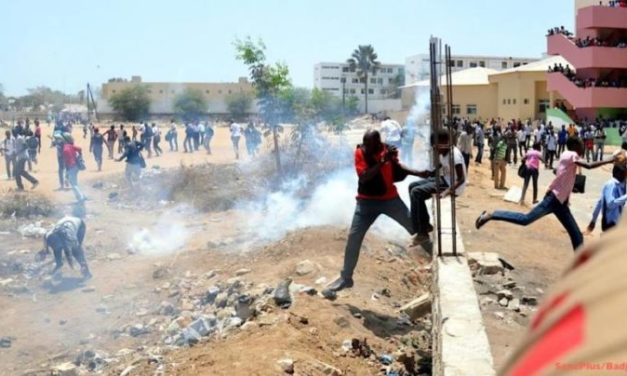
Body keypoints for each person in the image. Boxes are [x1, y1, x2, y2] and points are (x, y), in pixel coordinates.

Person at [325, 130, 426, 292]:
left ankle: (436, 255)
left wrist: (418, 173)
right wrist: (381, 161)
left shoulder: (386, 150)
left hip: (390, 200)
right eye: (367, 145)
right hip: (366, 203)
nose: (368, 148)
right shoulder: (360, 153)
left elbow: (398, 169)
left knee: (416, 228)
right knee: (354, 237)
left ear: (379, 143)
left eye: (372, 145)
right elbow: (364, 177)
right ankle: (346, 277)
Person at [476, 137, 615, 251]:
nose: (583, 148)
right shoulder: (571, 154)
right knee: (525, 219)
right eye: (581, 145)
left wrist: (570, 188)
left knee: (578, 236)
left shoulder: (567, 158)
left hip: (561, 203)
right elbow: (589, 166)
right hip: (553, 200)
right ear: (575, 146)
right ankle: (491, 215)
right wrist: (610, 160)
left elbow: (558, 173)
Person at [408, 129, 467, 243]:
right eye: (433, 146)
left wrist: (447, 192)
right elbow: (441, 164)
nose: (435, 149)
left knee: (416, 192)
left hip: (452, 186)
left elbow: (461, 179)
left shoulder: (454, 155)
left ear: (445, 142)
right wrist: (431, 172)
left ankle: (422, 232)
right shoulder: (444, 152)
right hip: (444, 180)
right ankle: (424, 225)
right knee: (412, 186)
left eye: (436, 146)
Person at [37, 215, 91, 279]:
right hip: (65, 221)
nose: (54, 247)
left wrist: (83, 264)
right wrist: (45, 251)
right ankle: (59, 265)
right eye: (52, 245)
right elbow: (45, 238)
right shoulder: (49, 236)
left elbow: (78, 250)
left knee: (75, 252)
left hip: (79, 225)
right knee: (56, 249)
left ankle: (86, 271)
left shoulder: (70, 238)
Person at [586, 165, 627, 234]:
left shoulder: (620, 185)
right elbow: (610, 204)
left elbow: (599, 203)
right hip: (610, 223)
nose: (625, 176)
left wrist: (593, 220)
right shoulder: (611, 184)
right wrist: (593, 221)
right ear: (617, 173)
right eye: (624, 174)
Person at [62, 134, 86, 202]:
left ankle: (81, 197)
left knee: (73, 184)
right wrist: (80, 156)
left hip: (71, 166)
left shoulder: (65, 149)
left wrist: (66, 172)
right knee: (75, 183)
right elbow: (80, 149)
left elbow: (66, 162)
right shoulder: (70, 146)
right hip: (76, 166)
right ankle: (82, 196)